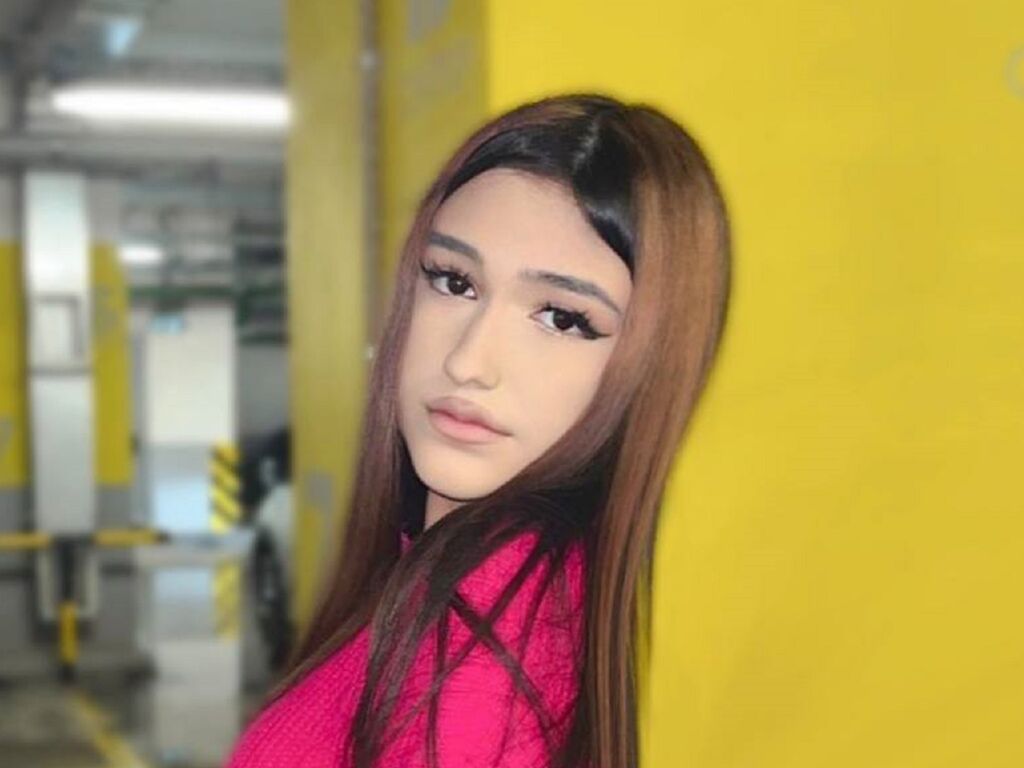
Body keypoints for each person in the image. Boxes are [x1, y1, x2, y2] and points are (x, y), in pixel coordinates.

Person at [224, 92, 732, 768]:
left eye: (562, 318)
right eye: (454, 281)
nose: (467, 362)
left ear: (647, 366)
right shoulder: (449, 588)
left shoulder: (481, 647)